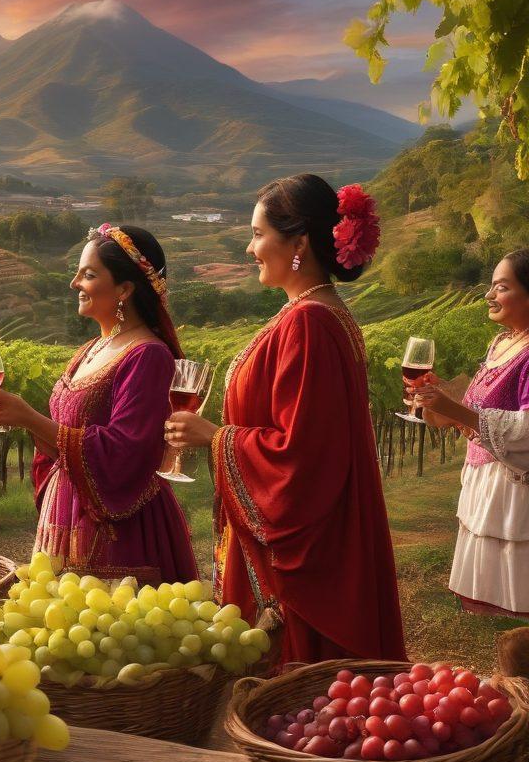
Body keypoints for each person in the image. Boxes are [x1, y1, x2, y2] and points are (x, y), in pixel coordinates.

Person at [165, 175, 406, 664]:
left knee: (298, 687)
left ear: (298, 243)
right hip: (328, 532)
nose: (250, 247)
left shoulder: (309, 323)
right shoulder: (315, 313)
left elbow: (300, 456)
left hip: (298, 561)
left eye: (257, 234)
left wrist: (215, 437)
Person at [0, 223, 198, 584]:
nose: (74, 284)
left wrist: (28, 416)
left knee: (107, 632)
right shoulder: (88, 352)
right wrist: (26, 421)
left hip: (120, 531)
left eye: (88, 275)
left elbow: (124, 454)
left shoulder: (148, 356)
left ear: (125, 289)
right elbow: (62, 444)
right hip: (68, 513)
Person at [414, 250, 529, 618]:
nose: (489, 296)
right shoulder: (501, 343)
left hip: (515, 494)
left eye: (502, 287)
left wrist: (453, 409)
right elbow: (475, 410)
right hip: (485, 483)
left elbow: (525, 431)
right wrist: (441, 396)